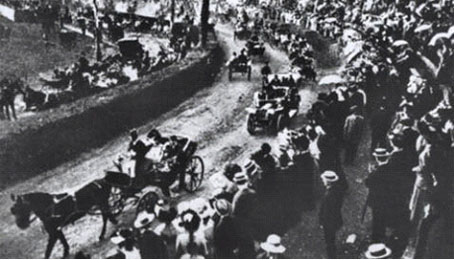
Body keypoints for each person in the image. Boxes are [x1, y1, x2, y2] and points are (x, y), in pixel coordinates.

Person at [319, 171, 345, 259]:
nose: (323, 181)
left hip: (329, 223)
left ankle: (331, 256)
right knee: (331, 239)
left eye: (324, 180)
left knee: (329, 241)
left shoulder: (328, 195)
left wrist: (322, 222)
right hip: (335, 218)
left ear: (328, 182)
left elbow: (326, 212)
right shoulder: (337, 190)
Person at [232, 172, 257, 258]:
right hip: (253, 222)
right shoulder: (253, 192)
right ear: (246, 181)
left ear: (237, 184)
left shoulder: (236, 198)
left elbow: (234, 214)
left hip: (243, 225)